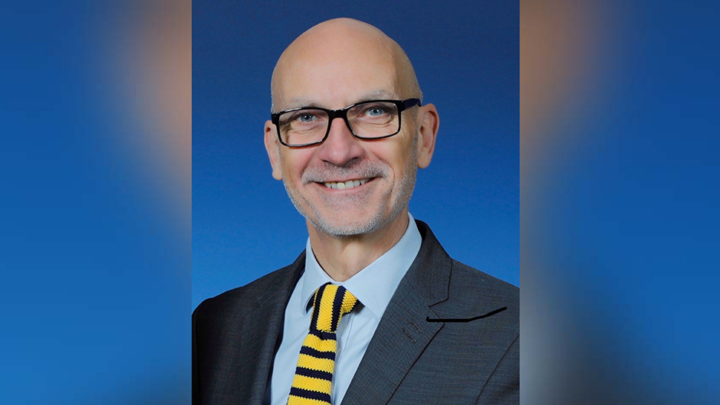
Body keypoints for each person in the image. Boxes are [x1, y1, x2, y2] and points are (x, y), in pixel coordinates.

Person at [192, 18, 518, 405]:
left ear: (423, 137)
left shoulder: (522, 340)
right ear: (274, 150)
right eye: (306, 118)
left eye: (374, 111)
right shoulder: (210, 330)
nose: (340, 151)